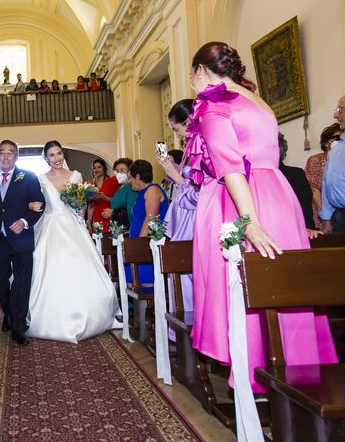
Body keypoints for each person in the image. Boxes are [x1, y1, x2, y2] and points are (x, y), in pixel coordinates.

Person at [187, 42, 336, 392]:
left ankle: (257, 371)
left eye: (191, 75)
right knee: (287, 284)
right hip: (279, 195)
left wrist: (248, 222)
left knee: (247, 286)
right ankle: (300, 368)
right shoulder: (258, 100)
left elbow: (230, 167)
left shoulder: (212, 103)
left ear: (200, 70)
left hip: (240, 200)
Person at [26, 141, 119, 343]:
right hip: (50, 226)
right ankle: (49, 316)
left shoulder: (75, 176)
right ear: (46, 158)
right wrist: (31, 205)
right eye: (51, 155)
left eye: (59, 153)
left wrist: (80, 208)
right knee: (49, 267)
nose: (56, 158)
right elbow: (34, 201)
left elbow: (81, 205)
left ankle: (88, 315)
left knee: (80, 265)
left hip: (72, 225)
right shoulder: (40, 179)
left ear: (63, 154)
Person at [0, 139, 44, 346]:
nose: (6, 156)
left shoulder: (29, 177)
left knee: (22, 283)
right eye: (2, 152)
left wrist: (24, 221)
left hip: (21, 238)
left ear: (16, 156)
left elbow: (39, 205)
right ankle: (8, 311)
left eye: (10, 153)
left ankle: (18, 326)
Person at [156, 99, 198, 316]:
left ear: (189, 120)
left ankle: (193, 330)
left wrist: (177, 177)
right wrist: (175, 171)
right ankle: (183, 332)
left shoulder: (202, 149)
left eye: (177, 128)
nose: (177, 134)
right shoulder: (191, 150)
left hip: (194, 224)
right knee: (180, 281)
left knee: (189, 281)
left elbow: (199, 196)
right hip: (183, 221)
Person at [127, 159, 169, 285]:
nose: (129, 181)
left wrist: (139, 244)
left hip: (146, 247)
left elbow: (150, 219)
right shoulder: (142, 193)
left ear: (138, 176)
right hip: (140, 245)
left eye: (130, 177)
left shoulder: (152, 191)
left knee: (146, 286)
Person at [278, 133, 318, 235]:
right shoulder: (246, 176)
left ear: (279, 149)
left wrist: (308, 228)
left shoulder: (296, 174)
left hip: (298, 233)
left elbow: (304, 207)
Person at [305, 123, 342, 228]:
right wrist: (327, 217)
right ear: (326, 143)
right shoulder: (316, 160)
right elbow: (314, 190)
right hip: (322, 214)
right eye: (337, 138)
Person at [320, 95, 345, 233]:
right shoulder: (336, 147)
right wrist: (327, 218)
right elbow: (326, 184)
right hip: (339, 218)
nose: (336, 115)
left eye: (340, 110)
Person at [102, 157, 136, 227]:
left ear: (129, 172)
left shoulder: (131, 188)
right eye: (117, 171)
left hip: (127, 226)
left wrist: (112, 213)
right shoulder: (119, 188)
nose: (119, 174)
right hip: (117, 225)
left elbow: (132, 211)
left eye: (122, 170)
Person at [88, 158, 118, 232]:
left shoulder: (112, 181)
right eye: (94, 168)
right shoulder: (91, 185)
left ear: (104, 168)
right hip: (96, 217)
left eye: (99, 167)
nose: (96, 169)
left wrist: (105, 198)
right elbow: (91, 205)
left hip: (109, 214)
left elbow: (118, 201)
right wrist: (89, 223)